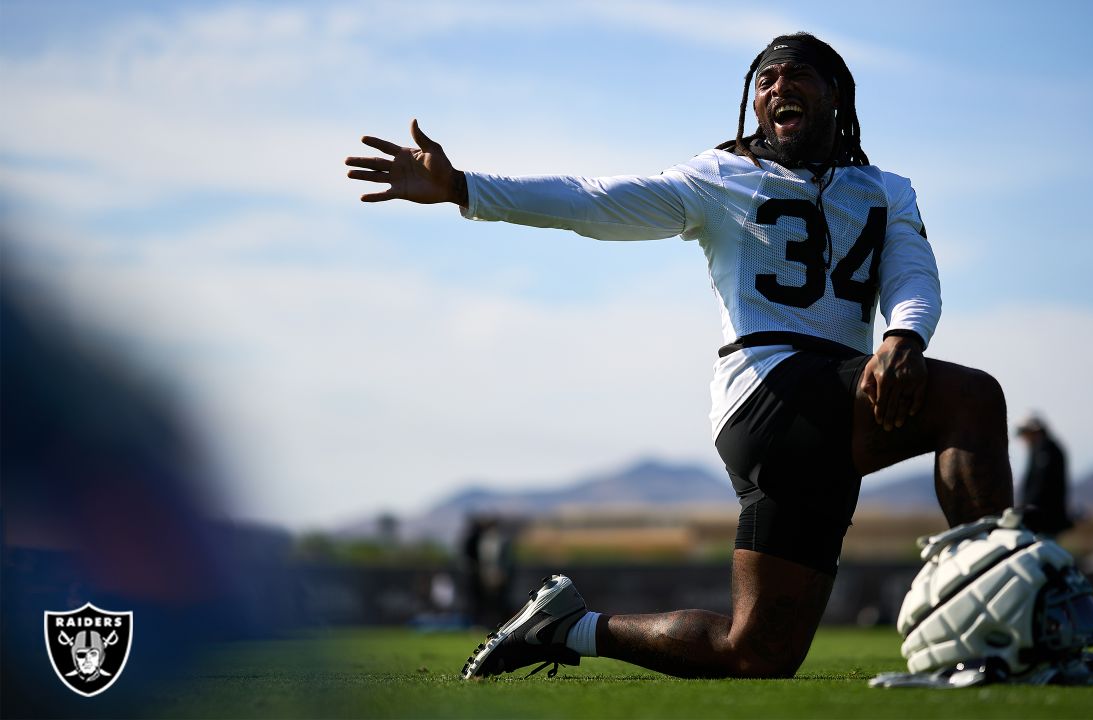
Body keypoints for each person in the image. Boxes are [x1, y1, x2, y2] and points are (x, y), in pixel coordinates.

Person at [346, 32, 1013, 679]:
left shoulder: (888, 188)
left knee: (756, 653)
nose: (777, 86)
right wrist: (467, 187)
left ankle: (566, 627)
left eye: (796, 75)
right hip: (773, 391)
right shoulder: (721, 176)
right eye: (765, 79)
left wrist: (904, 334)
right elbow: (593, 200)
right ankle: (1003, 619)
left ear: (835, 94)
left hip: (840, 400)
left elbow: (912, 274)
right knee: (972, 400)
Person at [1015, 414, 1074, 536]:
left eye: (1025, 433)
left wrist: (1026, 510)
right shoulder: (1039, 450)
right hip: (1040, 519)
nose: (1024, 439)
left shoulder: (1047, 450)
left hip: (1045, 520)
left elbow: (1041, 486)